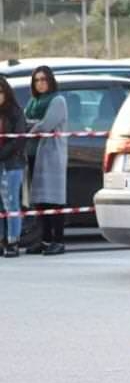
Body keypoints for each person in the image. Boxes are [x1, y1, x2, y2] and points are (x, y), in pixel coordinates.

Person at [24, 66, 68, 256]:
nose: (40, 83)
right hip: (34, 154)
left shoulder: (57, 100)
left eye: (44, 79)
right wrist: (31, 126)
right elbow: (26, 121)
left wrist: (30, 127)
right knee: (40, 201)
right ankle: (44, 240)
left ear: (50, 81)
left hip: (51, 156)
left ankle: (58, 241)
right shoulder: (33, 102)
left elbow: (45, 125)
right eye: (37, 80)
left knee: (54, 200)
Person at [0, 77, 27, 257]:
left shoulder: (15, 112)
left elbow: (19, 139)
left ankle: (13, 241)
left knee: (11, 203)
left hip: (12, 163)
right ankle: (1, 240)